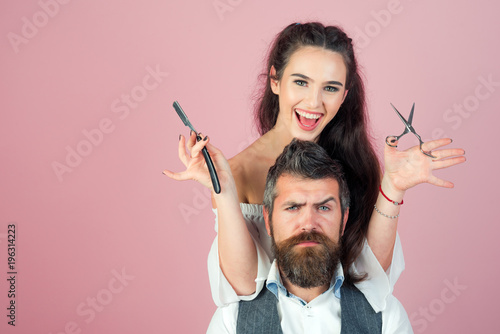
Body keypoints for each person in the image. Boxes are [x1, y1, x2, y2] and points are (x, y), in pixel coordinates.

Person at [163, 22, 465, 309]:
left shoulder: (355, 162)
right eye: (301, 82)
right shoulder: (235, 173)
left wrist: (393, 188)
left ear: (345, 95)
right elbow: (243, 287)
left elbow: (372, 279)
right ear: (275, 80)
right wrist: (224, 191)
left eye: (330, 88)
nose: (314, 103)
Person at [207, 139, 413, 333]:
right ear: (268, 220)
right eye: (293, 207)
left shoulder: (386, 318)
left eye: (323, 207)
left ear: (343, 220)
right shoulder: (231, 320)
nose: (308, 224)